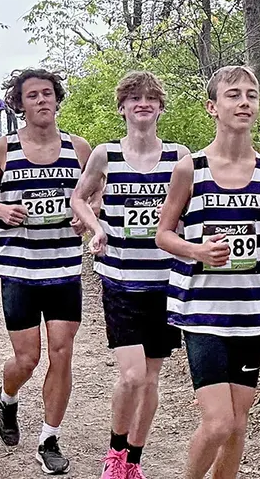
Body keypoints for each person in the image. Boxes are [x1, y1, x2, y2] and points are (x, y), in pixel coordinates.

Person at [156, 66, 260, 479]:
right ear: (212, 107)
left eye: (251, 95)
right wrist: (197, 250)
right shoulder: (190, 169)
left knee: (237, 425)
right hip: (203, 311)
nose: (244, 102)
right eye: (233, 95)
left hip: (252, 312)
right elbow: (163, 234)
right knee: (218, 423)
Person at [0, 69, 92, 475]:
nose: (41, 100)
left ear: (57, 99)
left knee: (61, 352)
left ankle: (48, 439)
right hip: (19, 269)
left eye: (47, 93)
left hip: (64, 268)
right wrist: (0, 210)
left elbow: (97, 194)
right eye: (32, 95)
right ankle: (7, 397)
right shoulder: (3, 149)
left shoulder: (78, 148)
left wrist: (87, 215)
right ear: (19, 104)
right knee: (27, 359)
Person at [71, 71, 189, 479]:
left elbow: (192, 207)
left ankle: (133, 461)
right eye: (135, 98)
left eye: (151, 98)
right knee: (133, 375)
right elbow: (79, 198)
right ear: (122, 107)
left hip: (165, 280)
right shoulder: (105, 154)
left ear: (160, 108)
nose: (143, 104)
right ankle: (114, 451)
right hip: (120, 279)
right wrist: (96, 228)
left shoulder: (180, 157)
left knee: (151, 378)